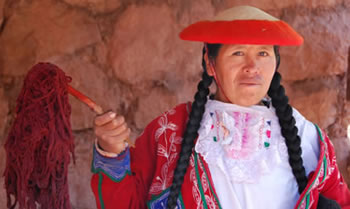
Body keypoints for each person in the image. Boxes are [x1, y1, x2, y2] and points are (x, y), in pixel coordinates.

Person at [90, 5, 350, 209]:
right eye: (238, 53)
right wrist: (111, 152)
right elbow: (127, 203)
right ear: (210, 62)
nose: (252, 67)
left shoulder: (308, 139)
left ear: (275, 62)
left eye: (263, 53)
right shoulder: (169, 133)